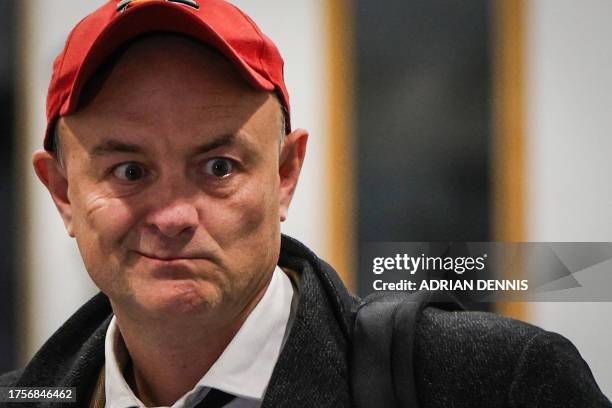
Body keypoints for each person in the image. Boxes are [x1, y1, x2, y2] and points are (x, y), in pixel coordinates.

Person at [1, 0, 610, 407]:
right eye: (129, 171)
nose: (173, 216)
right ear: (62, 193)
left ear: (286, 174)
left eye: (219, 167)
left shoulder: (494, 384)